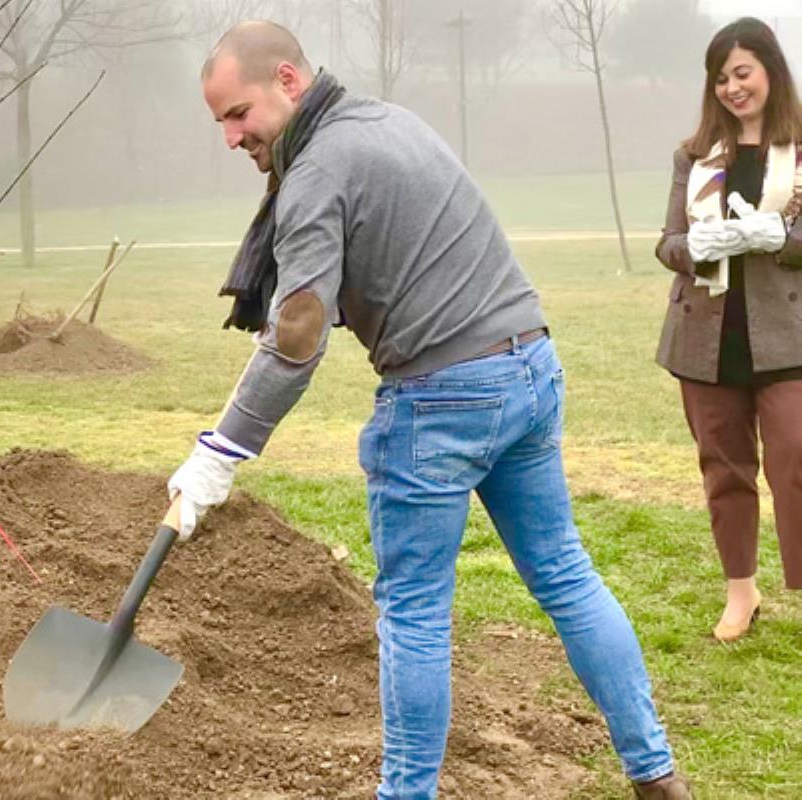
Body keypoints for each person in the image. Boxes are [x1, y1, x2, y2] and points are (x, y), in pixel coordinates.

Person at [167, 21, 691, 800]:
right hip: (529, 367)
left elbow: (298, 337)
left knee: (413, 615)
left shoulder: (314, 173)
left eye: (237, 114)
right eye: (220, 122)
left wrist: (220, 453)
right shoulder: (388, 122)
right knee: (567, 577)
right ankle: (658, 777)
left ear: (286, 81)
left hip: (443, 398)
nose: (231, 136)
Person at [654, 17, 802, 643]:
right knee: (724, 468)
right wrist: (696, 247)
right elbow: (667, 243)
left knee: (795, 457)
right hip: (706, 339)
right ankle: (741, 591)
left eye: (742, 73)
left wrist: (784, 238)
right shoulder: (693, 157)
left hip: (787, 336)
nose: (732, 88)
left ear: (771, 68)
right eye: (721, 79)